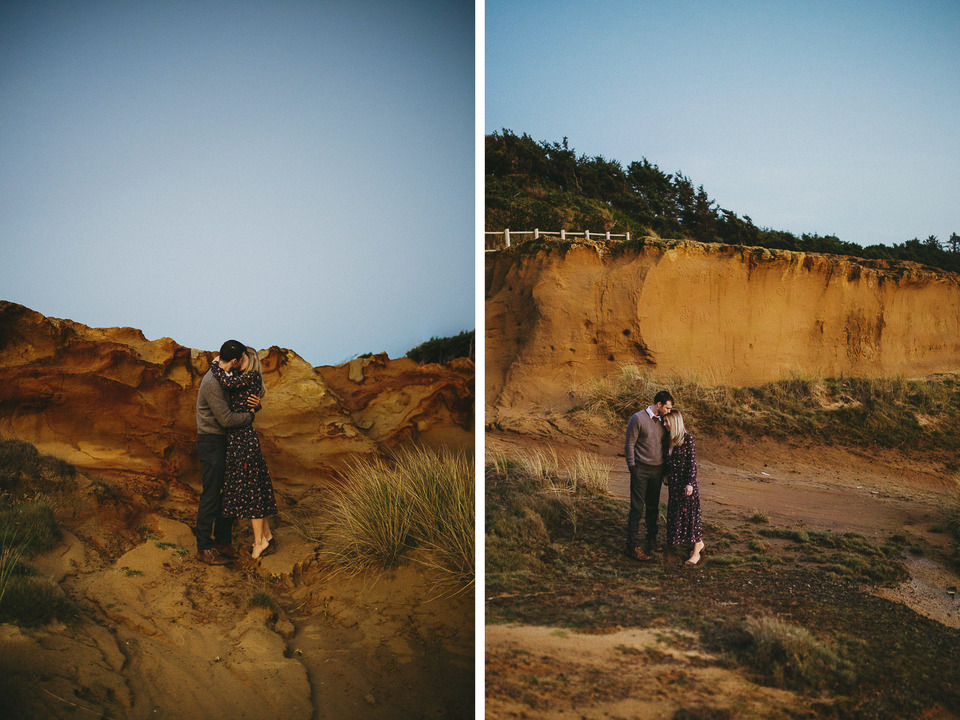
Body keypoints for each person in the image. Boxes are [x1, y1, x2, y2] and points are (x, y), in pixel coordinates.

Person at [194, 339, 260, 565]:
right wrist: (250, 417)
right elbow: (227, 418)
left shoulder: (226, 376)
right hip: (211, 442)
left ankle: (222, 543)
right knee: (211, 495)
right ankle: (203, 548)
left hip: (224, 442)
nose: (244, 361)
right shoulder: (212, 382)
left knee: (229, 493)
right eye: (242, 358)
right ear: (234, 360)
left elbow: (240, 398)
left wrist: (256, 403)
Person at [210, 343, 278, 560]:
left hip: (243, 441)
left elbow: (226, 382)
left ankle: (259, 542)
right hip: (240, 440)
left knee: (252, 490)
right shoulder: (244, 380)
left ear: (252, 360)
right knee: (255, 486)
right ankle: (266, 536)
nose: (240, 361)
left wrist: (216, 366)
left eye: (245, 358)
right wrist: (255, 406)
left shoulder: (252, 377)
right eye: (238, 358)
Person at [624, 389, 674, 561]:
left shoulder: (663, 422)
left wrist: (665, 470)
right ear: (658, 404)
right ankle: (632, 545)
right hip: (640, 470)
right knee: (637, 508)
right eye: (667, 408)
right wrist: (633, 467)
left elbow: (666, 446)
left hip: (657, 472)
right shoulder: (637, 419)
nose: (669, 411)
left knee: (653, 507)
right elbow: (629, 444)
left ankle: (651, 540)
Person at [663, 411, 705, 565]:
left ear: (675, 422)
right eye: (664, 421)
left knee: (691, 519)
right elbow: (666, 462)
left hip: (687, 486)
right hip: (673, 486)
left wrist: (690, 483)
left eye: (667, 422)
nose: (664, 425)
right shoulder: (667, 440)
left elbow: (691, 464)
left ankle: (696, 551)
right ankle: (697, 544)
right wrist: (665, 475)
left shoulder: (688, 440)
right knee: (677, 515)